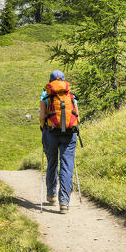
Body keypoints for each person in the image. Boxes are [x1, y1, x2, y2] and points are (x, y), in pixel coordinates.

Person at [40, 69, 79, 214]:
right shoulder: (71, 96)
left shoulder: (46, 95)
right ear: (63, 80)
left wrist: (42, 128)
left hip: (50, 133)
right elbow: (77, 117)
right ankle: (64, 202)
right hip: (69, 134)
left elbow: (42, 116)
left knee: (52, 162)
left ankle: (51, 195)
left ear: (50, 81)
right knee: (67, 165)